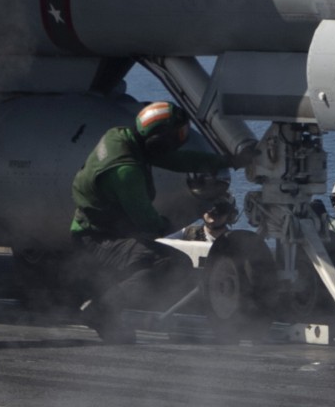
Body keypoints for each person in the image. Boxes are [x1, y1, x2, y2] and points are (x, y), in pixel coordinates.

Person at [67, 102, 246, 342]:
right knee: (168, 265)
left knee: (155, 259)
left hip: (98, 231)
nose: (180, 139)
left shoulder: (121, 137)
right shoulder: (126, 171)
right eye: (178, 134)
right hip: (98, 239)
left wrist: (227, 161)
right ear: (158, 140)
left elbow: (176, 160)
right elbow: (147, 222)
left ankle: (107, 315)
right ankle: (102, 310)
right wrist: (172, 223)